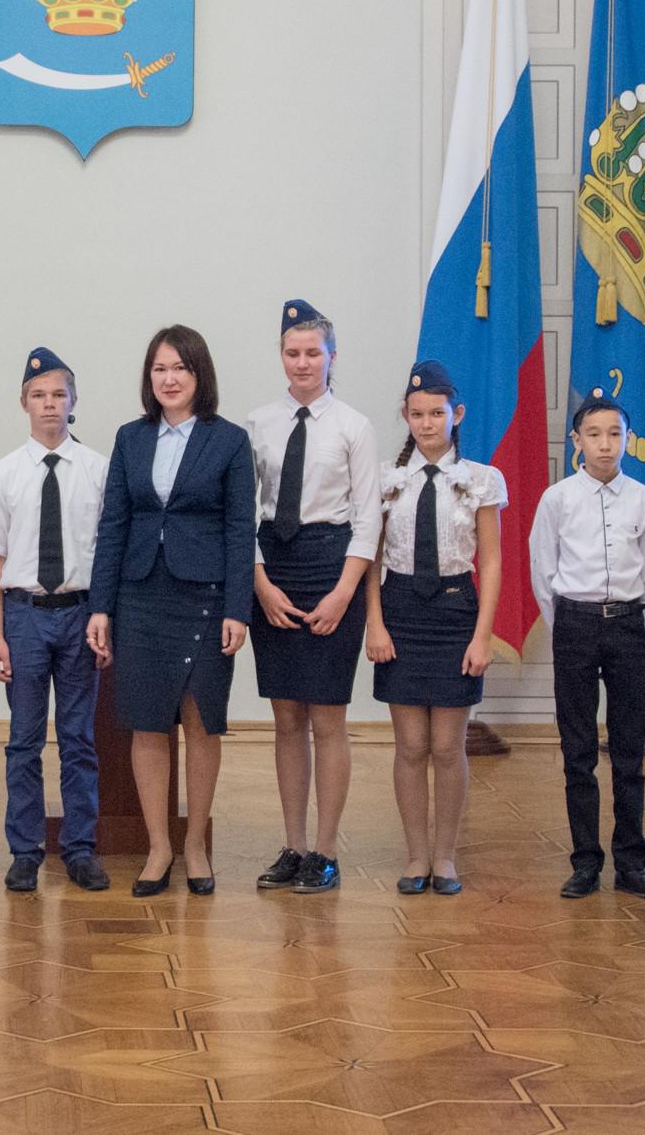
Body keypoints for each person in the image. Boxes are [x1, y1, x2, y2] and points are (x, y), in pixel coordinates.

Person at [86, 325, 254, 897]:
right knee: (147, 721)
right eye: (159, 368)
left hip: (206, 600)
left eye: (180, 367)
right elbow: (112, 526)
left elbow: (240, 530)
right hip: (139, 596)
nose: (169, 378)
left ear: (198, 374)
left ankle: (195, 844)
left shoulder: (228, 440)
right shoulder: (130, 439)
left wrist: (239, 608)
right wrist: (100, 607)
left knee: (200, 719)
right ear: (148, 376)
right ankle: (159, 847)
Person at [247, 301, 381, 895]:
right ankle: (293, 845)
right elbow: (243, 513)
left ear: (332, 357)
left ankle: (325, 851)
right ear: (281, 355)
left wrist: (343, 593)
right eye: (292, 352)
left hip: (332, 570)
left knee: (327, 718)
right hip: (274, 569)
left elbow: (369, 518)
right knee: (285, 719)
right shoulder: (258, 424)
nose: (302, 363)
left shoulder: (354, 425)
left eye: (313, 353)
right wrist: (260, 584)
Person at [365, 360, 502, 896]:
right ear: (405, 415)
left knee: (448, 746)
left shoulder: (479, 480)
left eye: (437, 413)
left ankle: (445, 855)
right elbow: (371, 560)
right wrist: (374, 624)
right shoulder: (386, 480)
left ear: (456, 413)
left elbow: (489, 562)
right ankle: (415, 855)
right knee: (410, 745)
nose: (427, 423)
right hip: (399, 611)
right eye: (417, 414)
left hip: (454, 612)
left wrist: (482, 635)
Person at [0, 347, 111, 894]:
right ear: (23, 403)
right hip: (25, 616)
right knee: (24, 739)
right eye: (39, 395)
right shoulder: (2, 474)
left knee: (79, 738)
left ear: (74, 401)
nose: (49, 405)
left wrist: (106, 620)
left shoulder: (100, 470)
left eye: (59, 395)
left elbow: (108, 552)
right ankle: (25, 848)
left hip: (80, 614)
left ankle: (79, 847)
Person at [528, 387, 645, 902]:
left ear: (628, 438)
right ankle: (585, 861)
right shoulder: (557, 499)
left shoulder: (644, 500)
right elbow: (545, 571)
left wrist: (637, 625)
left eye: (615, 434)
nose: (605, 445)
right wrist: (568, 623)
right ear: (577, 441)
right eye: (594, 435)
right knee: (578, 749)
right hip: (577, 627)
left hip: (627, 627)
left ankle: (632, 863)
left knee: (630, 751)